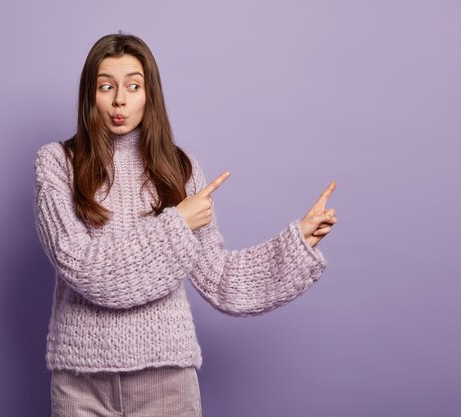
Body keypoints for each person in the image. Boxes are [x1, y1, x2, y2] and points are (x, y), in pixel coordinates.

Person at [33, 32, 338, 417]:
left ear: (150, 94)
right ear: (89, 95)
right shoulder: (57, 163)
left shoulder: (181, 168)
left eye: (133, 86)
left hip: (167, 383)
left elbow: (221, 279)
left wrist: (297, 244)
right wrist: (177, 223)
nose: (120, 100)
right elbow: (83, 268)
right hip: (81, 384)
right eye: (106, 86)